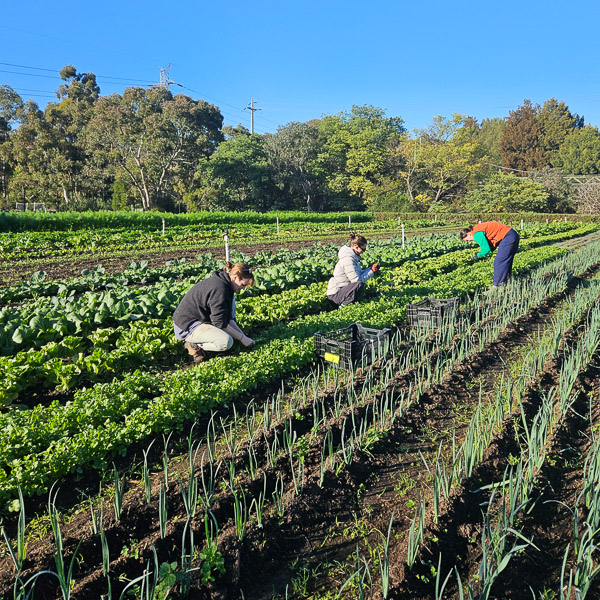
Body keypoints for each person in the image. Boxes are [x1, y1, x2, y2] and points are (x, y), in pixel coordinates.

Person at [173, 262, 255, 363]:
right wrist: (242, 338)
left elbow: (228, 319)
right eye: (243, 285)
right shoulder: (220, 289)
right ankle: (193, 344)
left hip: (200, 319)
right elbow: (220, 323)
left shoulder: (226, 286)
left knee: (231, 335)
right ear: (234, 277)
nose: (243, 288)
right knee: (226, 342)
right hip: (186, 326)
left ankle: (201, 341)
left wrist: (243, 337)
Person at [460, 221, 520, 288]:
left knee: (499, 262)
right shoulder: (477, 229)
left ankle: (497, 285)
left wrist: (478, 256)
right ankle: (506, 282)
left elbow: (486, 249)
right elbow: (491, 246)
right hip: (513, 235)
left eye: (467, 240)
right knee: (506, 261)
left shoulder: (476, 233)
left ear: (469, 234)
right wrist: (485, 254)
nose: (470, 241)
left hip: (508, 236)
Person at [326, 233, 380, 307]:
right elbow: (357, 280)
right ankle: (343, 307)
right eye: (363, 249)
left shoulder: (352, 258)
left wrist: (370, 269)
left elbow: (358, 274)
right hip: (335, 294)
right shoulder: (348, 260)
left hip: (342, 291)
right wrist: (371, 271)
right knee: (359, 284)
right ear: (356, 247)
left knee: (360, 285)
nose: (363, 251)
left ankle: (347, 303)